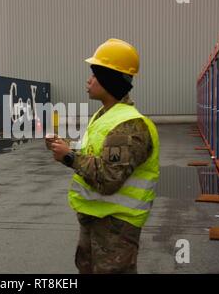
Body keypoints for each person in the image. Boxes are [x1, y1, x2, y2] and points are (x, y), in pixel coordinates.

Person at [48, 39, 160, 274]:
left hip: (116, 226)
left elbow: (108, 177)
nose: (89, 80)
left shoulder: (128, 125)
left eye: (95, 75)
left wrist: (69, 157)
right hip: (97, 218)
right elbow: (96, 155)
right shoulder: (105, 115)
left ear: (110, 80)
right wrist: (66, 148)